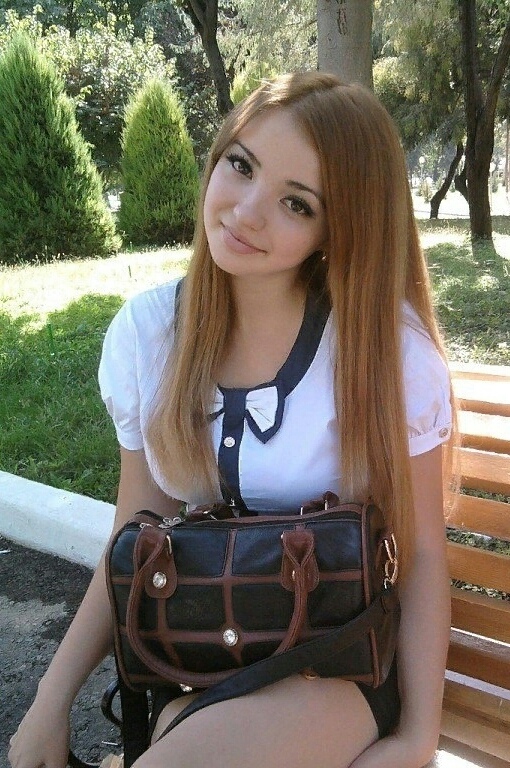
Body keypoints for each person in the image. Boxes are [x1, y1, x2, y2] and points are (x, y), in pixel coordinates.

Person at [9, 71, 454, 768]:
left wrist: (417, 739)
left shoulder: (384, 352)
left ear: (338, 227)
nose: (247, 212)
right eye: (241, 165)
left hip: (341, 672)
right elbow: (134, 533)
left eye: (296, 203)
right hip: (203, 659)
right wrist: (50, 700)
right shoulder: (149, 334)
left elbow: (423, 556)